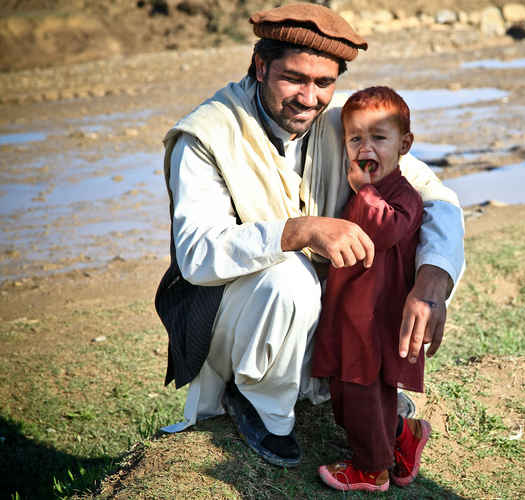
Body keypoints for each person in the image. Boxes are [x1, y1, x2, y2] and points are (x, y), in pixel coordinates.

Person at [154, 3, 465, 469]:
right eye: (294, 78)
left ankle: (332, 389)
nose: (309, 97)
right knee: (292, 277)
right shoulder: (206, 136)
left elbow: (435, 198)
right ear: (260, 66)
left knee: (382, 267)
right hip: (225, 315)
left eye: (324, 83)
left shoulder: (344, 126)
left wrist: (433, 282)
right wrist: (299, 231)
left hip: (319, 315)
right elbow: (198, 255)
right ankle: (261, 407)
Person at [312, 86, 431, 492]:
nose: (366, 147)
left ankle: (371, 469)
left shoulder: (403, 196)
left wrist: (364, 190)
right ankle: (403, 434)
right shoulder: (364, 191)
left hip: (377, 317)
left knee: (363, 392)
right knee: (344, 392)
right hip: (350, 310)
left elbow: (385, 229)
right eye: (355, 138)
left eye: (379, 138)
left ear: (404, 144)